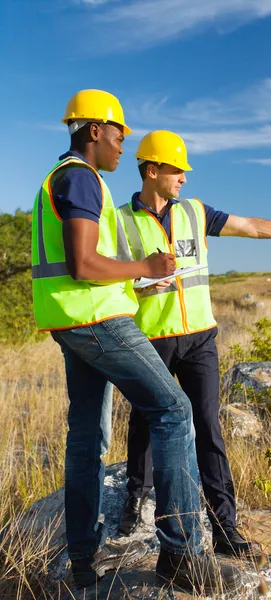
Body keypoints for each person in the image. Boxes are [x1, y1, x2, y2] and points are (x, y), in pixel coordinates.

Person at [31, 93, 241, 594]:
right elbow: (84, 264)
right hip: (99, 319)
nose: (124, 145)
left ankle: (83, 558)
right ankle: (183, 552)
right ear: (96, 130)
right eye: (120, 134)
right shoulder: (81, 177)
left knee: (86, 437)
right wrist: (145, 269)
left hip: (68, 321)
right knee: (173, 410)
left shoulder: (57, 177)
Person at [117, 130, 271, 555]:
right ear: (152, 171)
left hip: (200, 338)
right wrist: (139, 280)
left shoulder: (197, 212)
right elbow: (109, 273)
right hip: (151, 337)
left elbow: (253, 227)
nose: (184, 177)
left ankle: (225, 529)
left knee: (208, 427)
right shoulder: (119, 220)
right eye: (176, 169)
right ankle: (134, 498)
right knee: (144, 422)